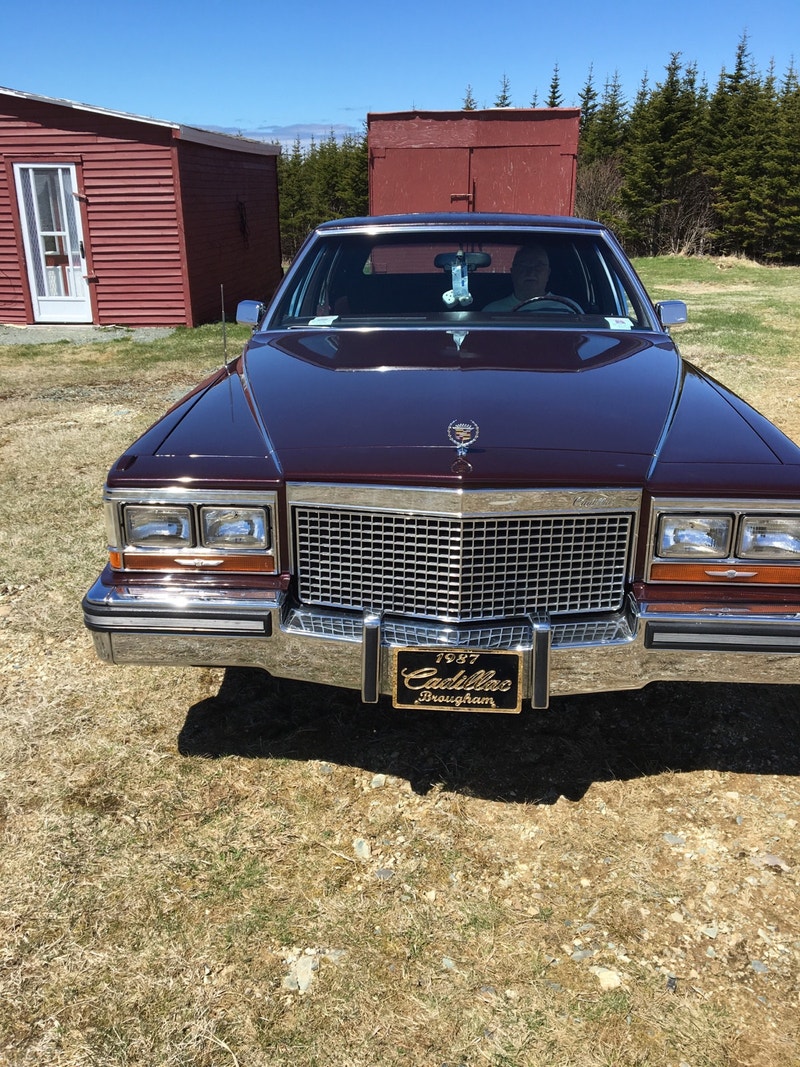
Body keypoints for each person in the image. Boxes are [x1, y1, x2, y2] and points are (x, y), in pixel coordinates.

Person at [483, 243, 553, 311]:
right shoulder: (492, 311)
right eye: (523, 266)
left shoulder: (563, 308)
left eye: (538, 266)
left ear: (548, 273)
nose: (531, 272)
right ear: (513, 273)